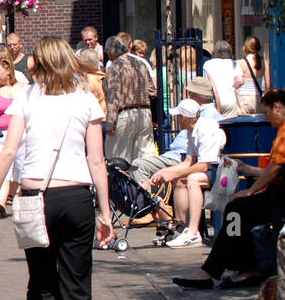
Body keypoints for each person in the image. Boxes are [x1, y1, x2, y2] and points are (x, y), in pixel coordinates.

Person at [0, 37, 113, 300]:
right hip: (75, 197)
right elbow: (97, 160)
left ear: (40, 65)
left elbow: (8, 150)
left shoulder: (26, 98)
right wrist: (105, 211)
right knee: (76, 286)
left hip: (34, 196)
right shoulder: (86, 99)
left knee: (40, 280)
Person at [172, 87, 285, 288]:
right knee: (237, 211)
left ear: (277, 107)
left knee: (238, 209)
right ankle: (228, 266)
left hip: (279, 197)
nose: (267, 119)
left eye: (266, 113)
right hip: (276, 193)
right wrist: (247, 168)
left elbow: (274, 170)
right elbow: (273, 171)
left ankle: (233, 268)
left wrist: (249, 190)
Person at [151, 80, 224, 248]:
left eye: (178, 117)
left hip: (222, 171)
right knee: (182, 180)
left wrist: (173, 173)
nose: (177, 120)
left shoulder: (206, 129)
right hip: (213, 168)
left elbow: (204, 165)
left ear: (184, 117)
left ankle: (193, 232)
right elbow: (189, 161)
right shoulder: (193, 130)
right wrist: (166, 171)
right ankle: (181, 227)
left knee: (192, 179)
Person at [103, 35, 155, 164]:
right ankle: (145, 184)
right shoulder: (140, 63)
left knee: (118, 158)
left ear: (110, 50)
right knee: (144, 158)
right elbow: (152, 91)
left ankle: (121, 184)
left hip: (125, 114)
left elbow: (113, 96)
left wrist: (110, 122)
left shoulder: (115, 66)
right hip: (144, 113)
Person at [0, 53, 22, 211]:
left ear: (8, 71)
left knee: (20, 170)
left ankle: (17, 200)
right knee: (3, 171)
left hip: (21, 135)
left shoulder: (23, 88)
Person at [237, 36, 266, 116]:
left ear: (245, 47)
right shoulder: (263, 63)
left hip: (244, 100)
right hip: (259, 100)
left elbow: (238, 82)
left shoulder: (241, 63)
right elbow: (267, 84)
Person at [75, 48, 108, 114]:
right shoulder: (102, 76)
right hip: (103, 114)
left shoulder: (87, 80)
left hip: (93, 117)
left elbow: (83, 101)